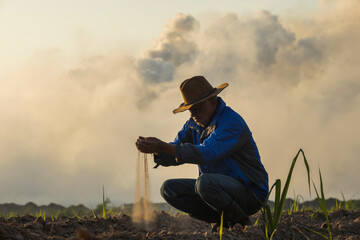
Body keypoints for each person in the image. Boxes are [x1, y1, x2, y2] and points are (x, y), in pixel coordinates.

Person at [135, 76, 268, 230]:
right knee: (169, 189)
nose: (193, 114)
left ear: (212, 101)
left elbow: (207, 153)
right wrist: (158, 150)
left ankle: (241, 223)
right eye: (190, 109)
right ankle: (223, 220)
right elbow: (176, 149)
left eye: (197, 108)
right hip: (216, 189)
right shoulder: (193, 125)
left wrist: (163, 146)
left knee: (205, 183)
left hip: (250, 193)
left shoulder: (231, 122)